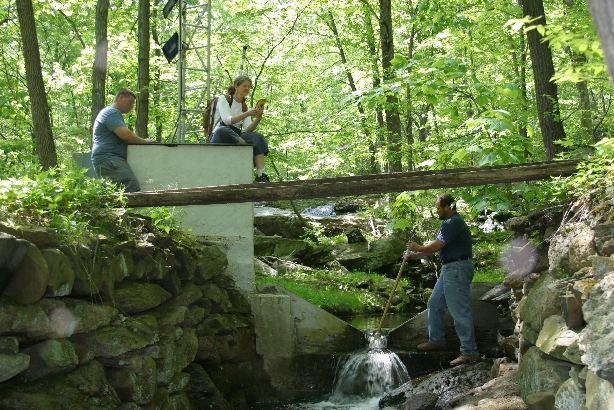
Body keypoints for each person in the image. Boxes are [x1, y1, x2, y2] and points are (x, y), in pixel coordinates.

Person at [405, 194, 480, 366]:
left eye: (438, 208)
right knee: (434, 303)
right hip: (449, 268)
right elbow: (435, 249)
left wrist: (418, 247)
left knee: (459, 310)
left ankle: (469, 352)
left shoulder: (453, 222)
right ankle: (436, 340)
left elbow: (436, 246)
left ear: (448, 207)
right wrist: (414, 255)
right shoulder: (447, 224)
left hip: (457, 268)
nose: (436, 211)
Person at [209, 76, 270, 182]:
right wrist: (247, 113)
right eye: (244, 86)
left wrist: (258, 117)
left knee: (257, 137)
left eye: (249, 87)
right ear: (236, 86)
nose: (247, 89)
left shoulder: (244, 106)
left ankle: (261, 174)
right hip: (220, 135)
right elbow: (227, 120)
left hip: (236, 136)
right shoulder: (224, 99)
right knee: (222, 130)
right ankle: (246, 148)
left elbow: (248, 129)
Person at [91, 88, 151, 192]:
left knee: (116, 191)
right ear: (120, 97)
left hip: (108, 158)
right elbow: (125, 135)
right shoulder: (111, 112)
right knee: (130, 187)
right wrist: (145, 142)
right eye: (130, 102)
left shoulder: (110, 113)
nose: (132, 106)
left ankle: (114, 208)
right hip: (109, 158)